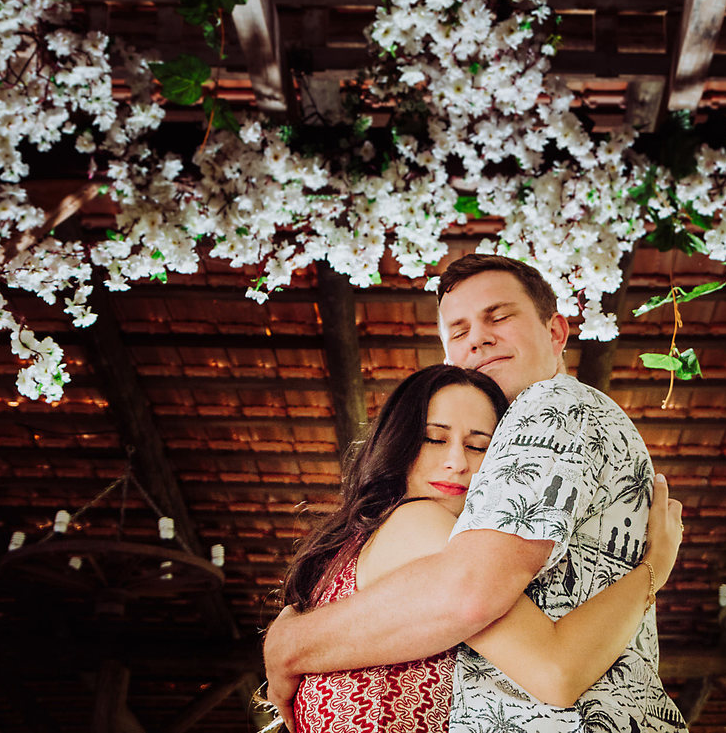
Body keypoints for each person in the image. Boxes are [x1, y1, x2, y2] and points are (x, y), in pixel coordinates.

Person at [265, 254, 688, 732]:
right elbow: (544, 659)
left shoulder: (552, 405)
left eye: (499, 316)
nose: (457, 461)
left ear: (556, 332)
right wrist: (655, 568)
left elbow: (475, 600)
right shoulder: (419, 523)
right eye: (458, 331)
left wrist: (289, 644)